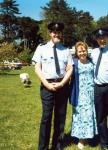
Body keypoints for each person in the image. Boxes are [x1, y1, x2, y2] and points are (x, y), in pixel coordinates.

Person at [32, 22, 73, 150]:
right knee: (46, 117)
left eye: (59, 32)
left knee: (60, 118)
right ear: (50, 33)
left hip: (62, 86)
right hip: (46, 86)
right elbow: (37, 67)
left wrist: (62, 83)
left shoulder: (66, 49)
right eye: (54, 32)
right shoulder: (41, 47)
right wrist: (46, 84)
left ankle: (57, 146)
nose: (57, 34)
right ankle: (43, 147)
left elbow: (70, 68)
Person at [69, 42, 97, 150]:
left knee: (90, 115)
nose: (82, 53)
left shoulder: (91, 62)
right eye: (80, 51)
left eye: (84, 50)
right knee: (80, 116)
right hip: (79, 94)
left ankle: (88, 137)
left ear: (87, 50)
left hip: (91, 93)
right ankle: (81, 139)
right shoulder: (74, 63)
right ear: (76, 52)